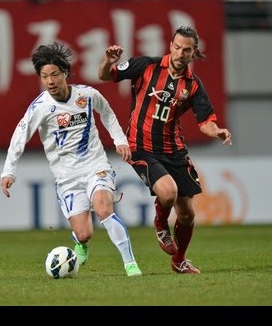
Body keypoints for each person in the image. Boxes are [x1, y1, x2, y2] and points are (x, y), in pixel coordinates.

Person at [98, 26, 233, 274]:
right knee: (168, 192)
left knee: (187, 215)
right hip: (141, 148)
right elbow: (106, 76)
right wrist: (108, 61)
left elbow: (205, 122)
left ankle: (179, 261)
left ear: (194, 53)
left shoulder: (192, 85)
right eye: (178, 47)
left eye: (187, 50)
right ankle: (161, 225)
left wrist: (218, 131)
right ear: (171, 45)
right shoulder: (146, 66)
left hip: (174, 150)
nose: (181, 53)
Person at [1, 42, 142, 277]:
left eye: (54, 74)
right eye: (44, 76)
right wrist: (9, 171)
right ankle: (80, 242)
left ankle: (130, 264)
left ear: (65, 72)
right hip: (66, 177)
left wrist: (120, 140)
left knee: (104, 209)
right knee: (84, 232)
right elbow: (19, 137)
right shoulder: (40, 108)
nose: (50, 81)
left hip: (95, 165)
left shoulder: (87, 95)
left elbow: (106, 112)